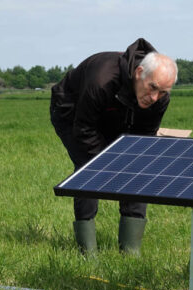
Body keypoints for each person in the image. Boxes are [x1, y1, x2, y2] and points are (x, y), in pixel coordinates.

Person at [50, 38, 178, 255]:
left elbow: (144, 140)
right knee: (88, 169)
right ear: (139, 73)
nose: (155, 97)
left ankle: (130, 250)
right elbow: (84, 130)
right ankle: (87, 251)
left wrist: (131, 165)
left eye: (163, 92)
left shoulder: (159, 98)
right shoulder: (102, 80)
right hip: (72, 112)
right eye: (152, 88)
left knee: (137, 168)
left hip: (119, 113)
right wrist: (108, 167)